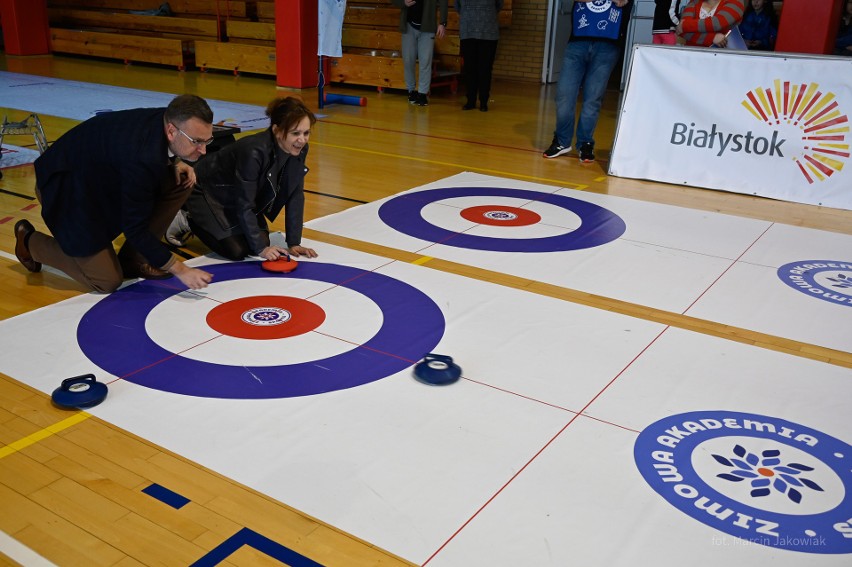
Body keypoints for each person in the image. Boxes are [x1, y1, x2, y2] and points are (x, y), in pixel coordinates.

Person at [14, 94, 215, 293]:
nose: (203, 150)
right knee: (106, 280)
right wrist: (181, 270)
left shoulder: (168, 119)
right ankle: (29, 242)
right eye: (196, 141)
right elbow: (134, 228)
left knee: (182, 181)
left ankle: (133, 259)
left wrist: (176, 161)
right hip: (67, 189)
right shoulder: (140, 158)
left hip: (98, 180)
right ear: (172, 131)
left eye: (207, 140)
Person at [174, 97, 318, 262]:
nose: (302, 139)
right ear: (277, 130)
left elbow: (295, 195)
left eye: (306, 133)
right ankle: (186, 218)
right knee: (237, 251)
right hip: (208, 191)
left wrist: (294, 242)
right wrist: (261, 249)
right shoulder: (254, 152)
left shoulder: (299, 149)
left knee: (261, 242)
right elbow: (245, 203)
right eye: (295, 133)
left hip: (236, 193)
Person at [543, 0, 632, 164]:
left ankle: (585, 143)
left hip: (608, 45)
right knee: (564, 94)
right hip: (578, 42)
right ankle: (562, 141)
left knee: (593, 98)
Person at [392, 0, 449, 106]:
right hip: (408, 25)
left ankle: (423, 93)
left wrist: (442, 22)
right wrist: (403, 2)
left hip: (428, 27)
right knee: (408, 60)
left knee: (426, 60)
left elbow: (443, 2)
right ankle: (411, 91)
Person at [456, 0, 503, 112]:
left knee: (485, 69)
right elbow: (457, 5)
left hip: (488, 33)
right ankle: (470, 101)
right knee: (469, 68)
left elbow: (499, 5)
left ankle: (483, 101)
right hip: (468, 32)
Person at [677, 0, 746, 47]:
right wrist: (711, 38)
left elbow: (717, 23)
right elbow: (682, 32)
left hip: (723, 59)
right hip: (692, 57)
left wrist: (685, 25)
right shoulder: (694, 2)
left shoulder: (736, 2)